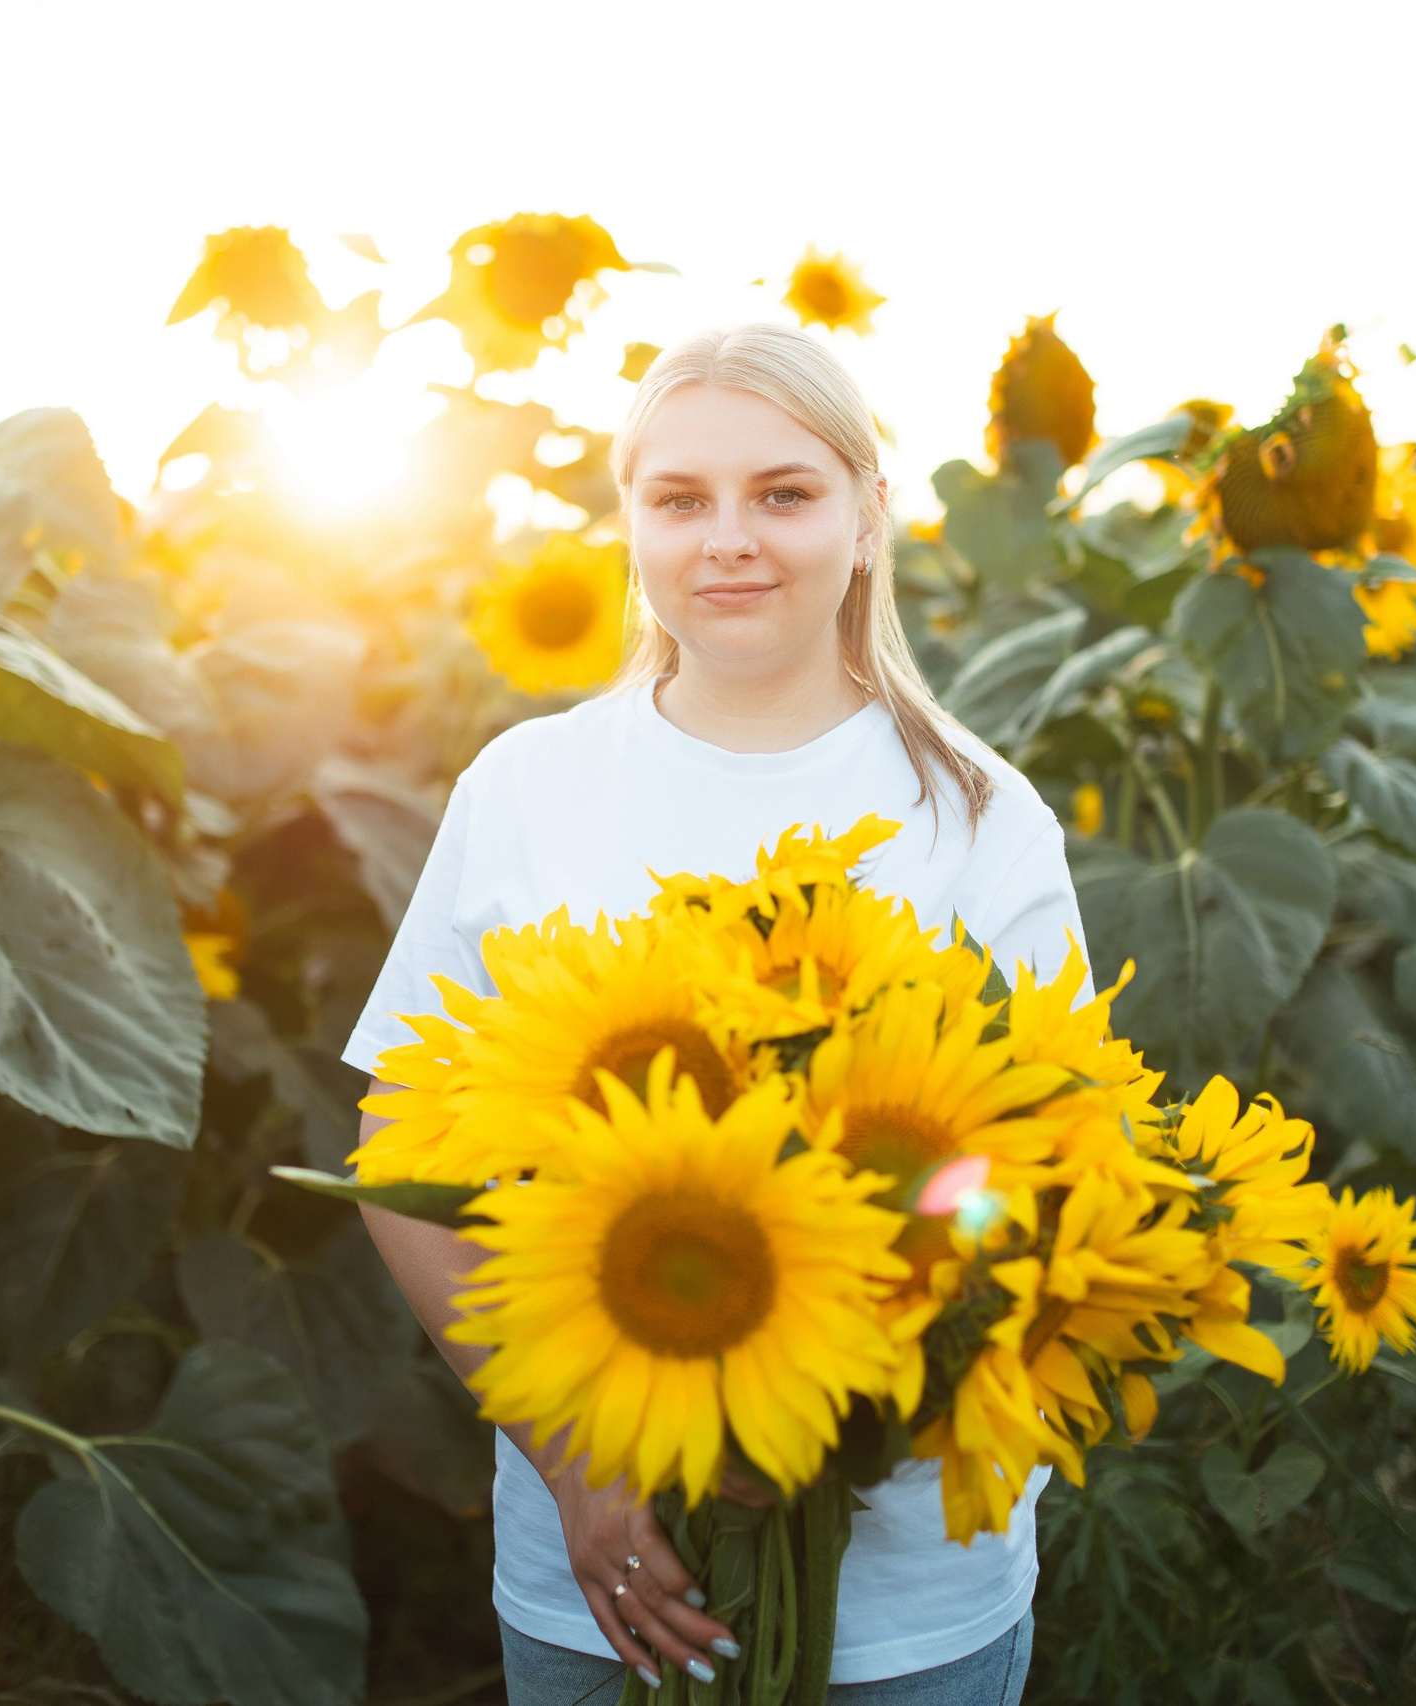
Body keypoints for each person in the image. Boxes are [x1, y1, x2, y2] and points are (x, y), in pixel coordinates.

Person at [348, 323, 1087, 1704]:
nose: (729, 538)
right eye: (680, 498)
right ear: (631, 523)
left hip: (907, 1595)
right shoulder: (527, 788)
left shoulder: (977, 816)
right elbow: (401, 1156)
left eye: (785, 494)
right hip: (602, 1578)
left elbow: (1036, 1175)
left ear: (869, 520)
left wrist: (827, 1373)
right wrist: (582, 1457)